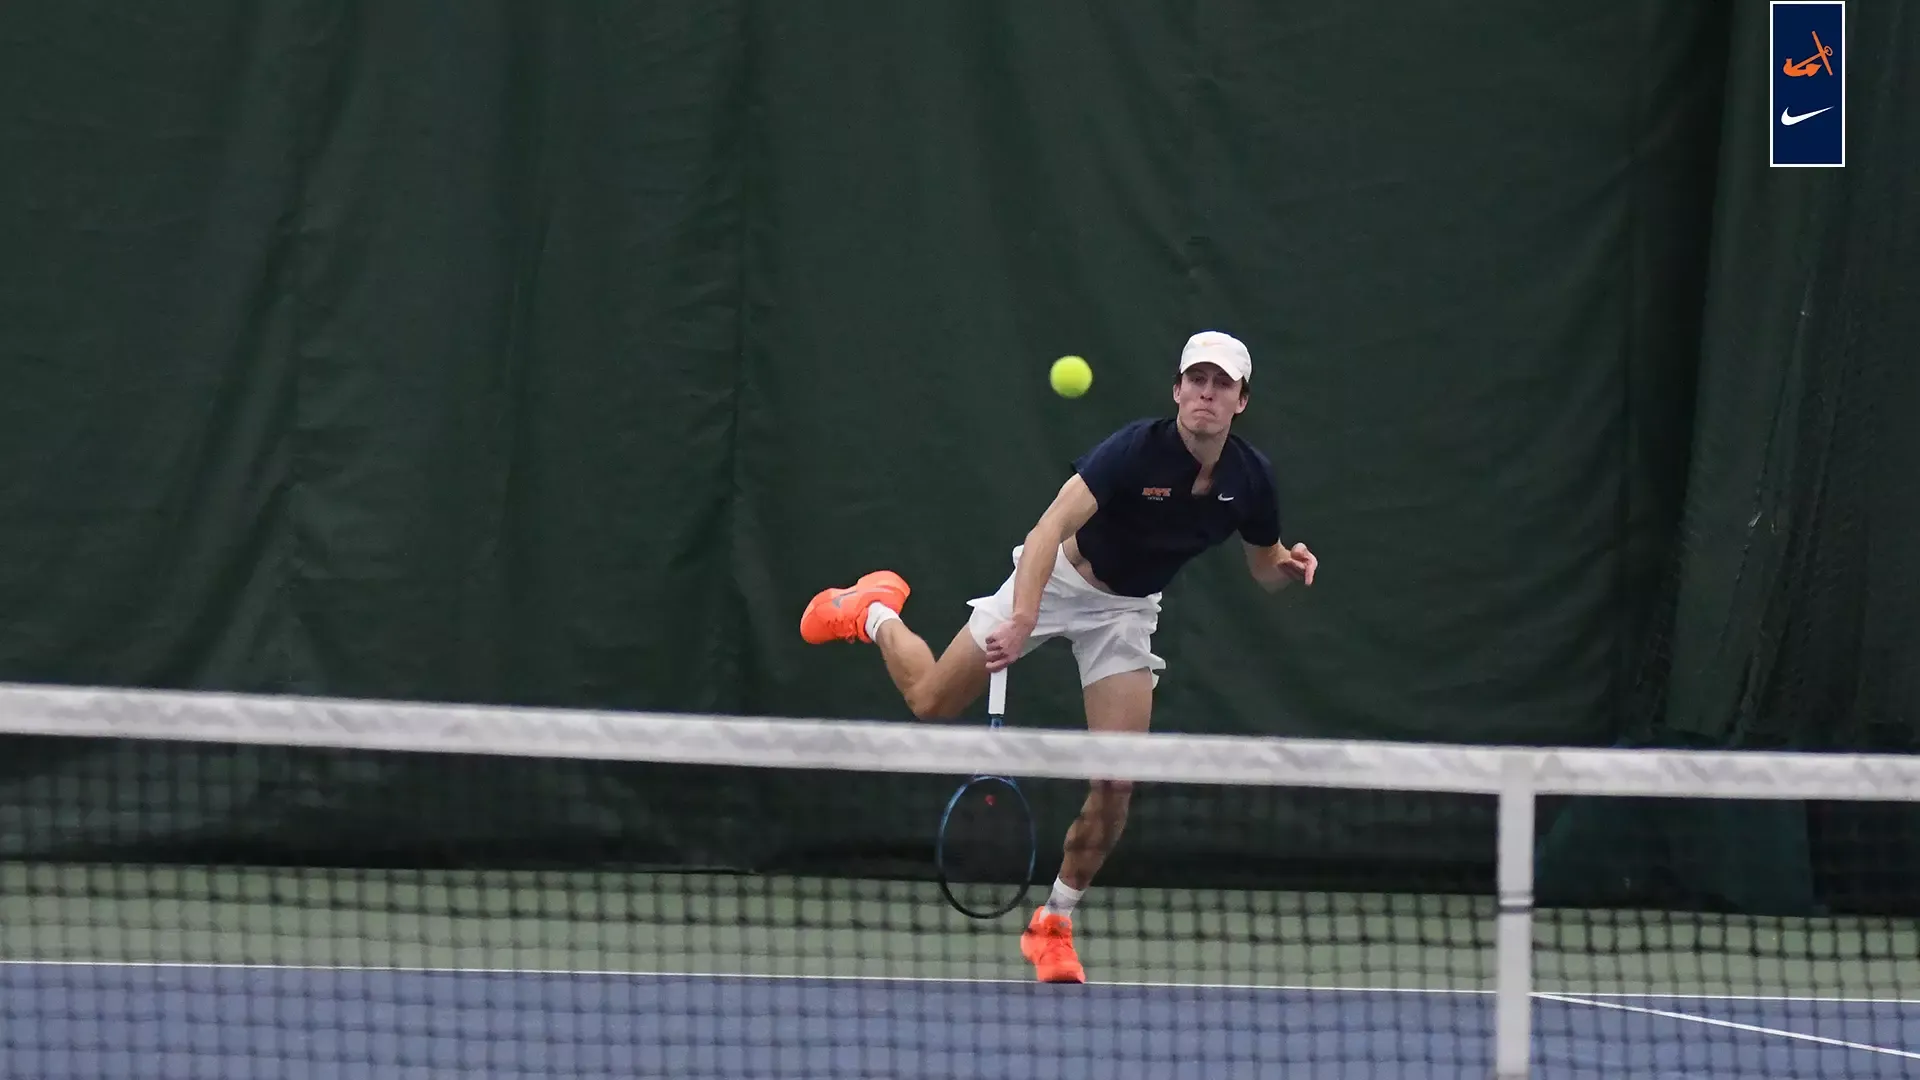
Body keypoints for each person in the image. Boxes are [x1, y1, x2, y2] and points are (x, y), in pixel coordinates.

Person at [797, 330, 1318, 983]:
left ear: (1241, 400)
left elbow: (1264, 567)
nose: (1206, 393)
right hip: (1055, 584)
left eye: (1221, 384)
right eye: (1197, 380)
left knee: (1118, 781)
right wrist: (1022, 617)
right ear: (1178, 389)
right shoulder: (1134, 451)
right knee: (930, 701)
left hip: (1126, 612)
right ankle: (873, 612)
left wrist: (1290, 568)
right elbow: (1046, 529)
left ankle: (1054, 923)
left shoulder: (1250, 480)